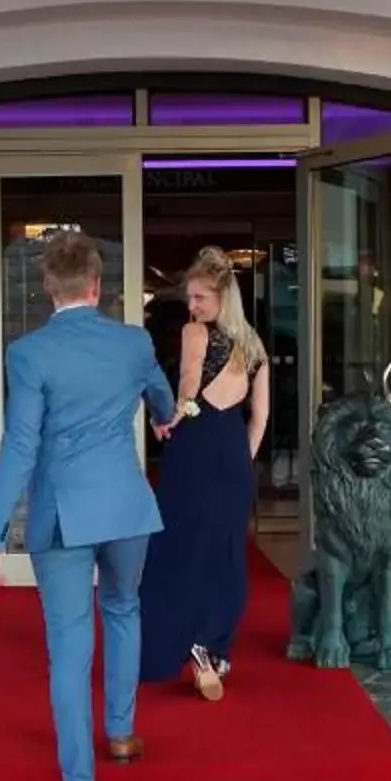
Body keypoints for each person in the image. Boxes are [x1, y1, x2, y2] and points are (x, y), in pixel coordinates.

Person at [0, 231, 180, 781]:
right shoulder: (134, 342)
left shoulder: (29, 353)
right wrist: (165, 420)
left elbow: (20, 444)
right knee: (122, 609)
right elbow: (162, 402)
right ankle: (120, 733)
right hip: (126, 507)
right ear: (96, 286)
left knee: (68, 646)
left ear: (48, 287)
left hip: (63, 512)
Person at [140, 248, 270, 699]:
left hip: (194, 447)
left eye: (200, 298)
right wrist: (242, 460)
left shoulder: (194, 333)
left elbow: (190, 381)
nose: (192, 306)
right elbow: (260, 417)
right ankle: (214, 648)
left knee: (178, 546)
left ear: (221, 298)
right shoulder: (255, 348)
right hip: (233, 455)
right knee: (228, 553)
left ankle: (176, 646)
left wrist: (174, 416)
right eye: (191, 299)